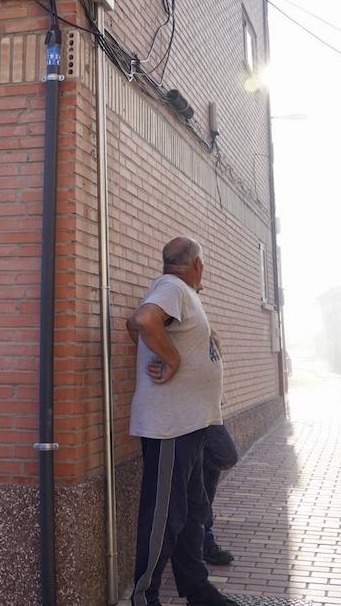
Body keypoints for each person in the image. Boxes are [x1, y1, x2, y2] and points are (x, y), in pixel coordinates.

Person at [126, 237, 236, 606]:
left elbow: (134, 324)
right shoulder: (172, 286)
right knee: (164, 517)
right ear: (197, 264)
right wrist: (170, 360)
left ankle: (197, 589)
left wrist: (158, 350)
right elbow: (143, 320)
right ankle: (144, 597)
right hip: (170, 427)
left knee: (190, 513)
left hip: (192, 425)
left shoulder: (177, 292)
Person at [201, 424, 239, 565]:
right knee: (224, 454)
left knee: (219, 459)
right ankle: (203, 541)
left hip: (208, 414)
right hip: (193, 418)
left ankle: (202, 539)